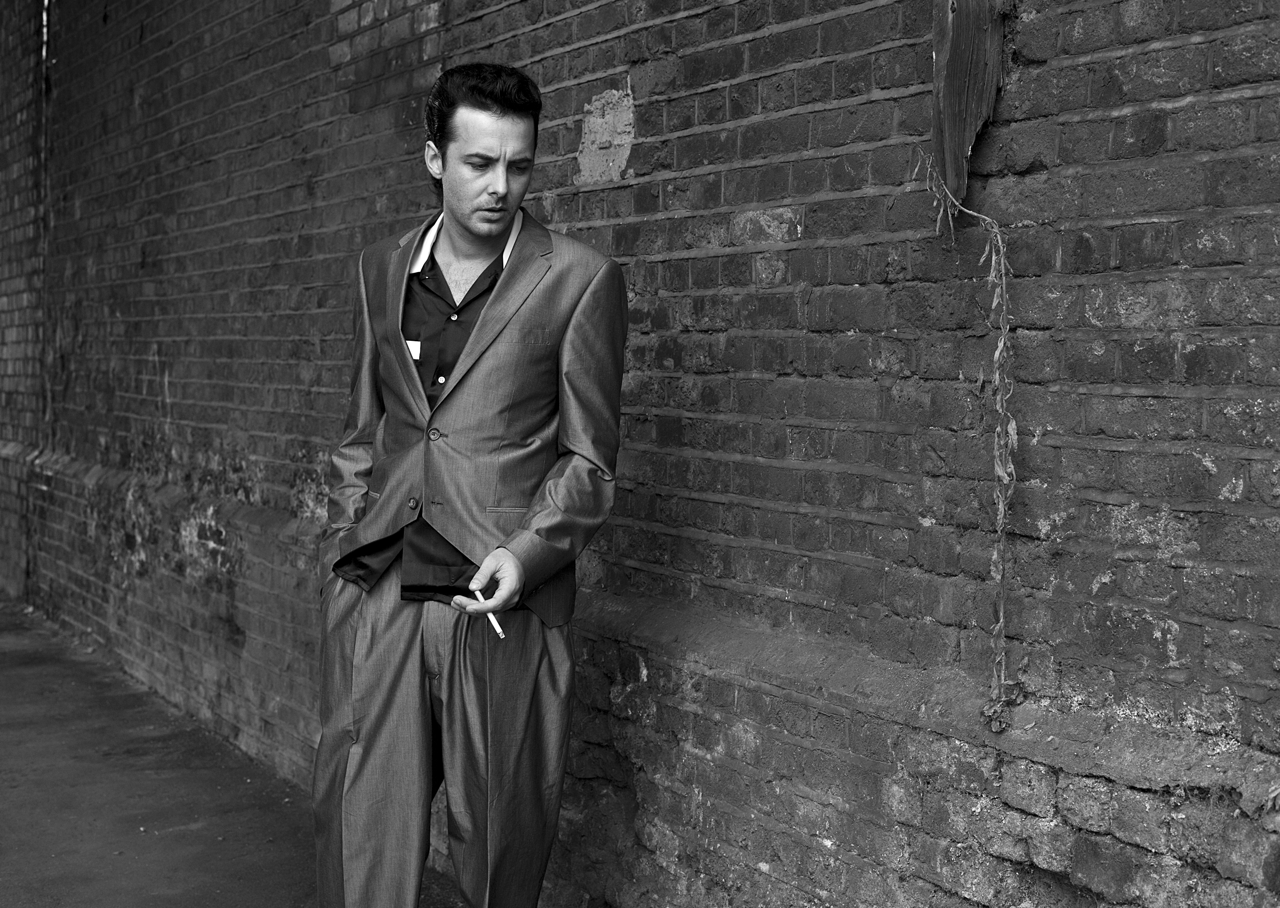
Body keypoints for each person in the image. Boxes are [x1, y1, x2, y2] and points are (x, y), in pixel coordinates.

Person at [311, 62, 628, 908]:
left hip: (495, 598)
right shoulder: (380, 270)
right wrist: (342, 548)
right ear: (434, 158)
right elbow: (362, 429)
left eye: (518, 166)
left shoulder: (579, 279)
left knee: (497, 845)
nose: (500, 187)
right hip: (380, 584)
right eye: (479, 163)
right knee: (360, 832)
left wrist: (527, 557)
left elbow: (589, 460)